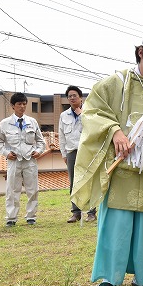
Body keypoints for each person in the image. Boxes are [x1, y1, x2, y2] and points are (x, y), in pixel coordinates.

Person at [71, 23, 143, 286]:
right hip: (121, 166)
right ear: (141, 52)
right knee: (118, 223)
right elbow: (93, 109)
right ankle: (110, 279)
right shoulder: (118, 82)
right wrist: (114, 130)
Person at [0, 92, 46, 227]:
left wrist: (38, 151)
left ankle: (31, 216)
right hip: (14, 161)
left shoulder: (32, 122)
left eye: (24, 104)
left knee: (32, 190)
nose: (22, 107)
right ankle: (11, 218)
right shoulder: (4, 124)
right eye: (19, 104)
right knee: (12, 190)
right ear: (12, 106)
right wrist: (6, 153)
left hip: (30, 161)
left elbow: (41, 141)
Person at [58, 86, 97, 223]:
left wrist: (82, 115)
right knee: (74, 183)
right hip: (71, 152)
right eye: (69, 96)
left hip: (86, 151)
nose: (72, 98)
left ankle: (91, 213)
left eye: (75, 95)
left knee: (89, 181)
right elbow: (62, 137)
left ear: (81, 98)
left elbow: (93, 129)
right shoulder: (64, 115)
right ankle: (76, 212)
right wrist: (63, 154)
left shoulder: (89, 112)